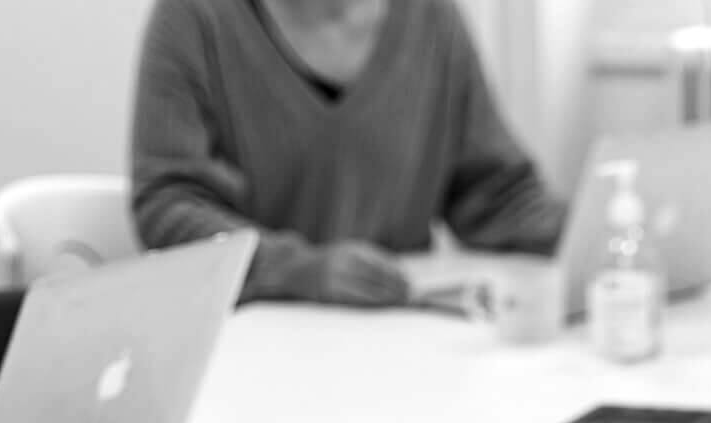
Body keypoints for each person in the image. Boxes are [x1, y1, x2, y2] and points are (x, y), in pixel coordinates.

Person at [130, 0, 567, 307]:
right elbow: (167, 204)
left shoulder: (433, 19)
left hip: (398, 338)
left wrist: (600, 232)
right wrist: (299, 271)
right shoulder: (195, 17)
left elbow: (496, 194)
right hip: (251, 342)